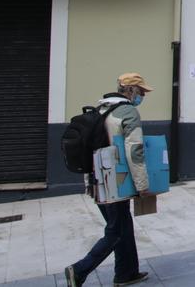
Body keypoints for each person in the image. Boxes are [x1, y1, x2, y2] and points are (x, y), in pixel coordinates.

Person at [65, 73, 155, 287]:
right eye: (141, 91)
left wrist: (89, 183)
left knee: (123, 225)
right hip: (116, 182)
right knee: (115, 231)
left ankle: (126, 273)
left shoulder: (101, 109)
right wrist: (143, 185)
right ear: (131, 90)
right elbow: (135, 151)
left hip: (98, 180)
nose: (142, 96)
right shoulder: (128, 112)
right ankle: (78, 270)